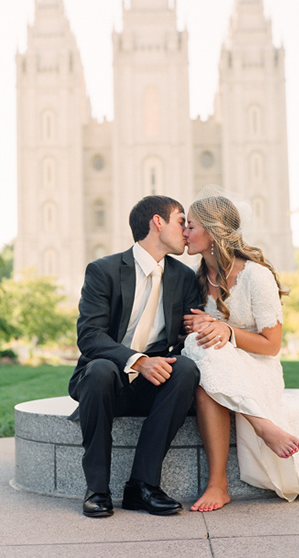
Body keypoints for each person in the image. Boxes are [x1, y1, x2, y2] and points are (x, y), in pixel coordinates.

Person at [182, 187, 299, 511]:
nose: (184, 232)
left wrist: (226, 330)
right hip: (217, 365)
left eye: (190, 225)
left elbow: (272, 345)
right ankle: (223, 478)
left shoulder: (256, 276)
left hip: (258, 366)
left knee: (206, 361)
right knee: (203, 372)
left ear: (212, 230)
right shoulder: (194, 279)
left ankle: (253, 437)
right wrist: (197, 325)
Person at [68, 195, 201, 518]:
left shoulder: (183, 277)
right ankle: (97, 490)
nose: (185, 230)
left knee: (184, 369)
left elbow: (187, 337)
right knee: (99, 370)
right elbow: (90, 336)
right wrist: (138, 361)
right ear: (158, 222)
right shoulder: (104, 270)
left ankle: (142, 486)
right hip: (106, 381)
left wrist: (206, 326)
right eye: (180, 221)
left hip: (151, 385)